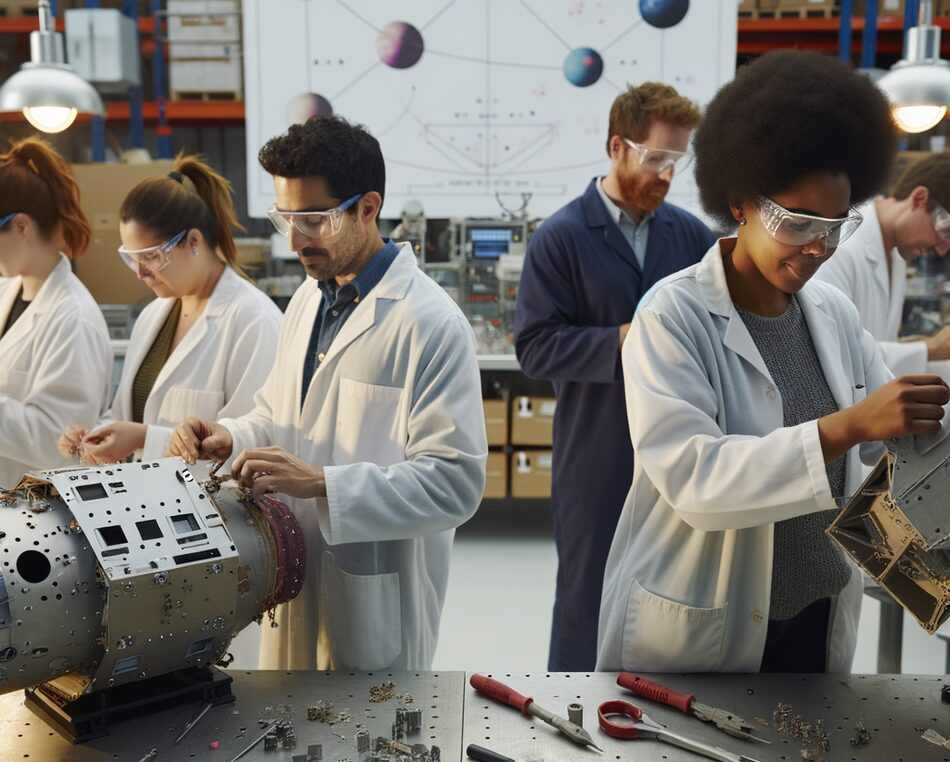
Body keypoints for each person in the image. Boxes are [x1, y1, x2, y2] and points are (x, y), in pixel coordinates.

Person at [597, 50, 950, 674]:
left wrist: (919, 437)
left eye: (836, 226)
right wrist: (852, 425)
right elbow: (697, 482)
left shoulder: (832, 314)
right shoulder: (671, 316)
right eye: (797, 223)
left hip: (816, 614)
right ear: (740, 202)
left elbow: (884, 445)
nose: (818, 246)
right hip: (708, 623)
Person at [166, 116, 487, 671]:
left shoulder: (428, 323)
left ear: (368, 208)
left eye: (313, 220)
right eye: (287, 218)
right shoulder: (307, 303)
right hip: (292, 566)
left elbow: (455, 483)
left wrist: (322, 484)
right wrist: (232, 434)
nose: (295, 240)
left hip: (374, 591)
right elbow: (278, 412)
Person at [513, 82, 715, 671]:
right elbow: (534, 347)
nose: (666, 175)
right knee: (587, 592)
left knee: (672, 589)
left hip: (681, 442)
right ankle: (568, 712)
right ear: (616, 147)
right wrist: (629, 340)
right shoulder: (561, 238)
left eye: (677, 161)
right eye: (655, 158)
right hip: (596, 446)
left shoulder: (691, 237)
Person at [58, 155, 281, 464]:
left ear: (193, 241)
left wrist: (143, 439)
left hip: (216, 510)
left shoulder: (253, 321)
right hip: (146, 501)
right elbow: (131, 413)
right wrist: (98, 434)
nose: (140, 272)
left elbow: (251, 443)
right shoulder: (153, 316)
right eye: (131, 258)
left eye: (150, 256)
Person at [0, 138, 112, 489]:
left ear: (21, 226)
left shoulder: (72, 318)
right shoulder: (8, 290)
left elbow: (59, 440)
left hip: (38, 514)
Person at [814, 152, 950, 376]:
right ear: (919, 199)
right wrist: (932, 348)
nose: (942, 249)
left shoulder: (896, 251)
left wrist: (927, 345)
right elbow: (834, 351)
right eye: (945, 231)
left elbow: (872, 341)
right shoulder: (841, 245)